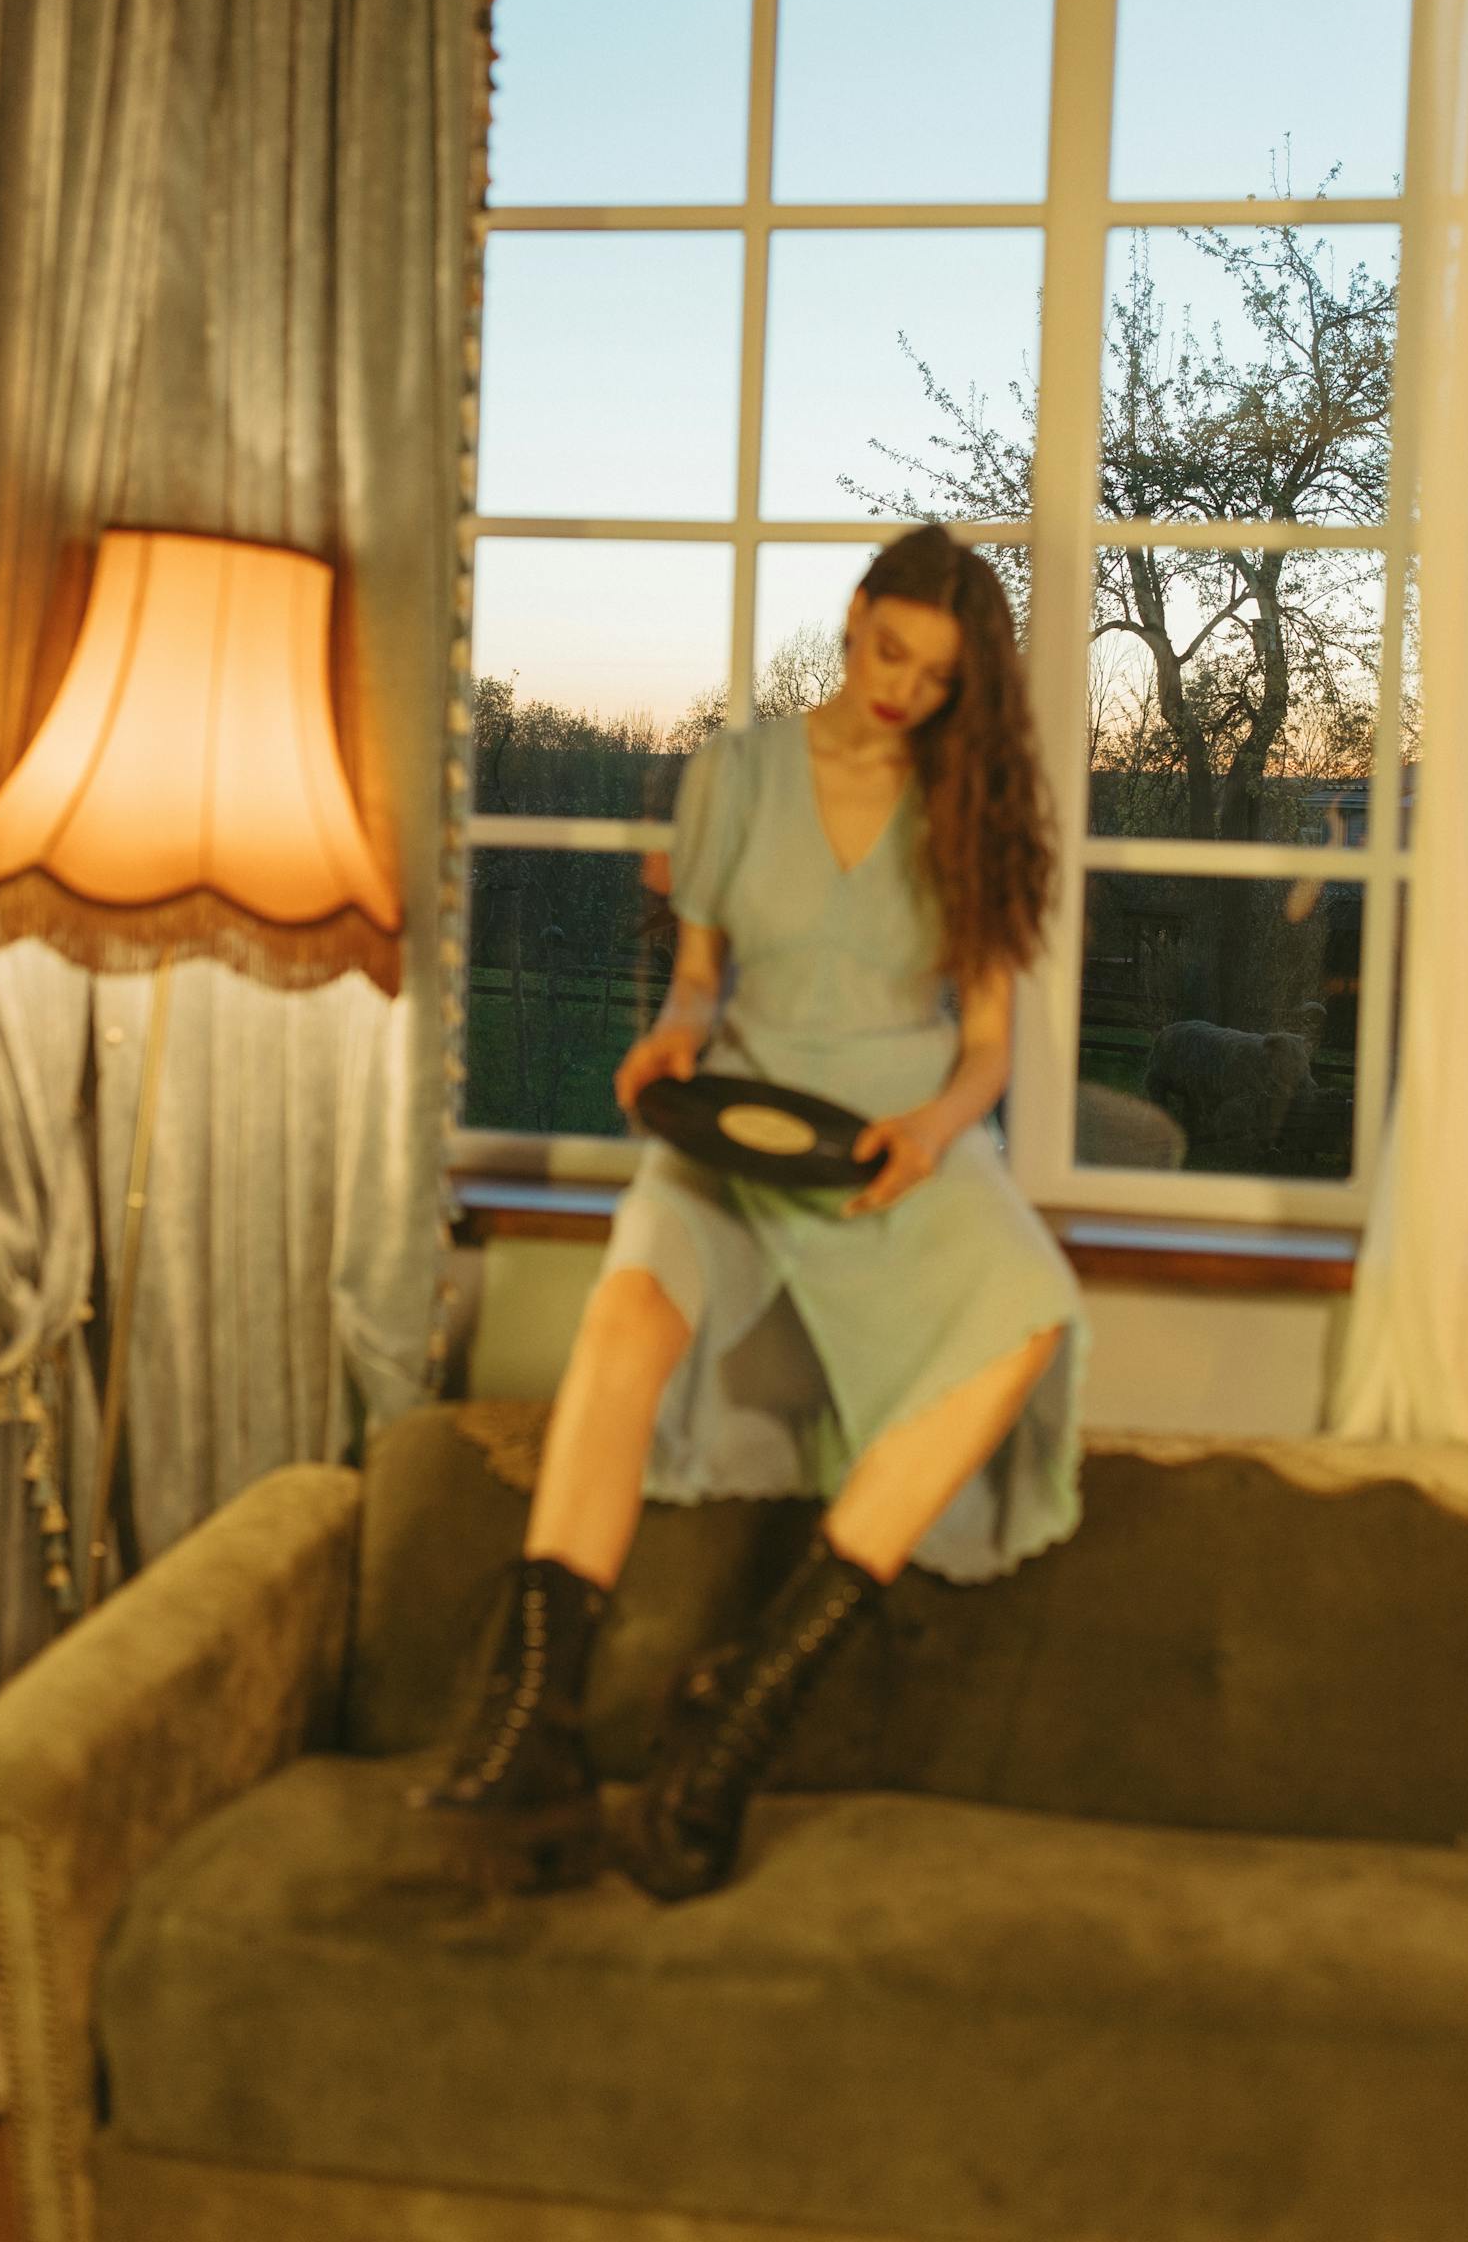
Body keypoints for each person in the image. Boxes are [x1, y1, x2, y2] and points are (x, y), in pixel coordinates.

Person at [422, 524, 1086, 1901]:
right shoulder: (737, 772)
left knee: (1029, 1307)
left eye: (938, 676)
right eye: (891, 651)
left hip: (894, 1131)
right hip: (734, 1112)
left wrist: (933, 1133)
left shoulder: (973, 806)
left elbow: (986, 1055)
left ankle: (737, 1719)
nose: (903, 689)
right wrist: (672, 1042)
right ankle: (530, 1728)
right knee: (627, 1310)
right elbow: (700, 986)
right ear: (853, 621)